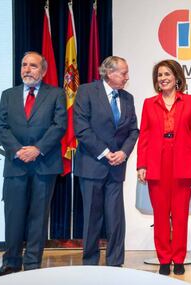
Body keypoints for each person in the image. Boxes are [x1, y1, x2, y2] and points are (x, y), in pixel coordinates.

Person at [0, 51, 67, 278]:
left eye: (33, 66)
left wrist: (37, 149)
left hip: (44, 164)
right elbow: (1, 126)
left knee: (38, 216)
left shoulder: (56, 94)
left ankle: (32, 264)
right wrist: (17, 150)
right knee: (13, 215)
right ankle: (11, 262)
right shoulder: (8, 95)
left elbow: (59, 125)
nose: (27, 69)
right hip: (16, 164)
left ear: (43, 71)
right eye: (24, 65)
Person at [137, 59, 191, 276]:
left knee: (180, 215)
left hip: (183, 162)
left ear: (177, 77)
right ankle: (164, 259)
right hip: (157, 163)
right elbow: (144, 136)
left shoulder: (190, 101)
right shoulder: (149, 103)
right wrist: (142, 164)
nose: (163, 78)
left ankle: (179, 258)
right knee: (160, 216)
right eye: (159, 75)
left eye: (167, 74)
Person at [74, 56, 139, 266]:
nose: (127, 77)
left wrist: (124, 152)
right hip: (92, 165)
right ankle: (90, 263)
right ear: (109, 73)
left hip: (116, 167)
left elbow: (133, 130)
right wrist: (104, 152)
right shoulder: (86, 91)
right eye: (124, 72)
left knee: (116, 218)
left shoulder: (127, 98)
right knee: (92, 219)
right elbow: (81, 128)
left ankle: (115, 263)